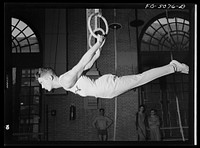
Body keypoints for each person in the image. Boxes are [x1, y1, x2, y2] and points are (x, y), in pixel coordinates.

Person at [35, 34, 189, 99]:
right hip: (107, 90)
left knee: (140, 79)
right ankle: (172, 67)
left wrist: (96, 45)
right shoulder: (65, 82)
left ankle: (173, 67)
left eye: (41, 82)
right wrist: (97, 52)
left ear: (49, 77)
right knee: (139, 79)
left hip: (107, 87)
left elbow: (82, 62)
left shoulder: (65, 81)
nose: (42, 87)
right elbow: (86, 66)